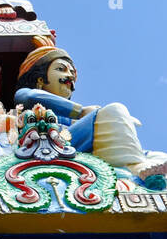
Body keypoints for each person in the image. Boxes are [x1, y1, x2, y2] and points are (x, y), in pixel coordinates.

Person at [14, 38, 167, 181]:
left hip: (82, 146)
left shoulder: (75, 117)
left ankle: (138, 166)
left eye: (72, 72)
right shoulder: (28, 96)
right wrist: (81, 112)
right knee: (114, 110)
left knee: (159, 156)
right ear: (40, 79)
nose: (70, 76)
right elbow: (27, 97)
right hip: (54, 143)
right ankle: (136, 170)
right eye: (61, 69)